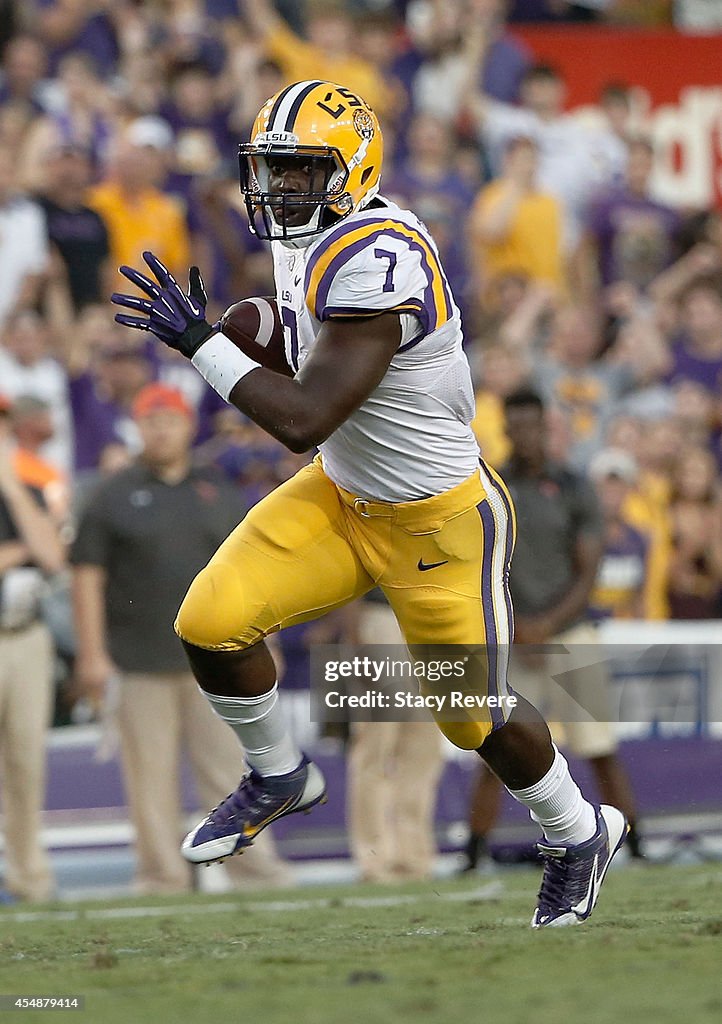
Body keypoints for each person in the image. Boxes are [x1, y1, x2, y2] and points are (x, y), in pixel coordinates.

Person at [111, 79, 627, 927]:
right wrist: (257, 327)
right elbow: (303, 339)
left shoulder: (378, 254)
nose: (279, 190)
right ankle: (280, 773)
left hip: (440, 518)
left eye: (301, 171)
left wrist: (202, 341)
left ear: (350, 171)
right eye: (270, 170)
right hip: (344, 495)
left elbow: (304, 416)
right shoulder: (311, 237)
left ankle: (578, 832)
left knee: (475, 719)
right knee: (209, 621)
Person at [70, 383, 291, 894]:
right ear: (139, 428)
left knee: (231, 771)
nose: (163, 428)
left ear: (189, 425)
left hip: (217, 662)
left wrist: (268, 635)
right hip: (138, 658)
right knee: (149, 780)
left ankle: (254, 872)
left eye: (171, 418)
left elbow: (252, 569)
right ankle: (160, 877)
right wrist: (91, 653)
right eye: (152, 420)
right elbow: (86, 574)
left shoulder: (218, 488)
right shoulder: (113, 493)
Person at [461, 390, 642, 873]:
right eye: (515, 426)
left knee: (599, 746)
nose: (524, 434)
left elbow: (589, 570)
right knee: (497, 746)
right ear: (508, 430)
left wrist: (548, 624)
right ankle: (474, 851)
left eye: (531, 424)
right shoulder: (489, 484)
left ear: (546, 426)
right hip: (512, 634)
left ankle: (637, 843)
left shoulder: (573, 485)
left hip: (570, 630)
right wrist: (521, 624)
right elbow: (481, 562)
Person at [0, 436, 65, 902]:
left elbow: (52, 556)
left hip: (25, 636)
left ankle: (30, 879)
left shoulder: (30, 486)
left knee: (26, 764)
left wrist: (9, 482)